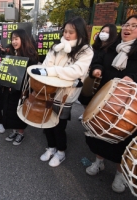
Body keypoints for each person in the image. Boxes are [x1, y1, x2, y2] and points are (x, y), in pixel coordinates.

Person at [31, 16, 93, 166]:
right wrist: (54, 72)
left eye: (71, 32)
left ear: (80, 33)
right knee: (46, 121)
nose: (66, 35)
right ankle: (51, 147)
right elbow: (47, 64)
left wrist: (52, 72)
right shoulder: (57, 46)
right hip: (49, 90)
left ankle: (61, 152)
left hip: (66, 94)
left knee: (59, 125)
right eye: (65, 31)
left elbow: (76, 71)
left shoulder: (85, 50)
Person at [85, 15, 137, 193]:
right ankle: (98, 162)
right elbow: (97, 60)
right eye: (126, 24)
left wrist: (133, 78)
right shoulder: (112, 48)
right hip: (105, 102)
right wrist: (97, 69)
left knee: (122, 142)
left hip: (128, 109)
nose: (128, 28)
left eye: (134, 26)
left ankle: (119, 173)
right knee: (99, 136)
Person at [3, 29, 39, 145]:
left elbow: (30, 77)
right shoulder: (11, 54)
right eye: (12, 39)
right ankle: (14, 131)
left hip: (22, 91)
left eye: (16, 39)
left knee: (20, 111)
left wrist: (16, 86)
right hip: (10, 89)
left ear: (23, 40)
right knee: (10, 110)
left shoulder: (31, 56)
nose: (14, 42)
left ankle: (21, 133)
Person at [77, 24, 118, 120]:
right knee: (84, 96)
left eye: (107, 32)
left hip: (103, 78)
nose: (104, 34)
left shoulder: (113, 50)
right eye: (103, 31)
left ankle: (93, 115)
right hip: (90, 75)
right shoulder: (95, 47)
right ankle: (86, 112)